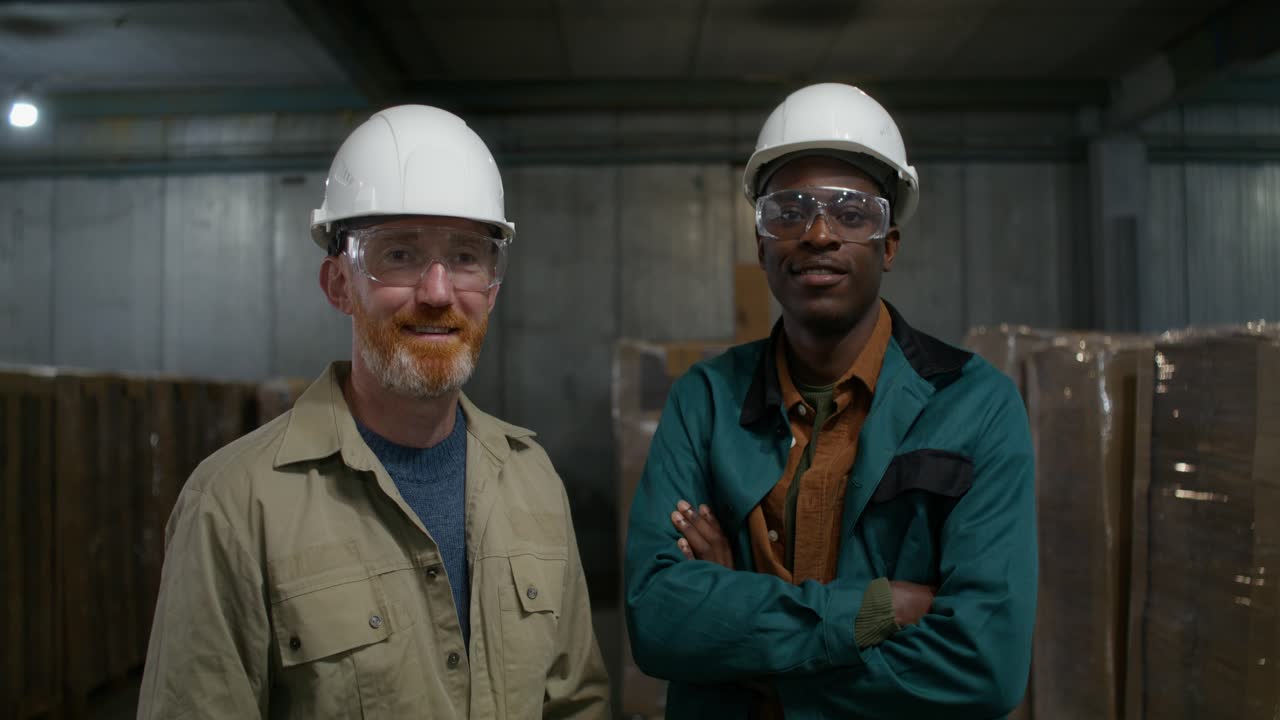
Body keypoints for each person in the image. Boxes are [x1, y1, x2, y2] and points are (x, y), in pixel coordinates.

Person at [139, 105, 610, 719]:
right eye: (400, 255)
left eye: (466, 257)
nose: (438, 292)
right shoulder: (233, 506)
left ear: (491, 289)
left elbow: (576, 704)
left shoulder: (532, 480)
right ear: (339, 285)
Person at [624, 83, 1036, 719]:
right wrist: (874, 611)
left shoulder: (975, 406)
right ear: (762, 245)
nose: (818, 233)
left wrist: (742, 643)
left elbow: (985, 667)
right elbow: (656, 620)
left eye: (852, 213)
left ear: (888, 245)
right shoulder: (704, 401)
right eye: (788, 212)